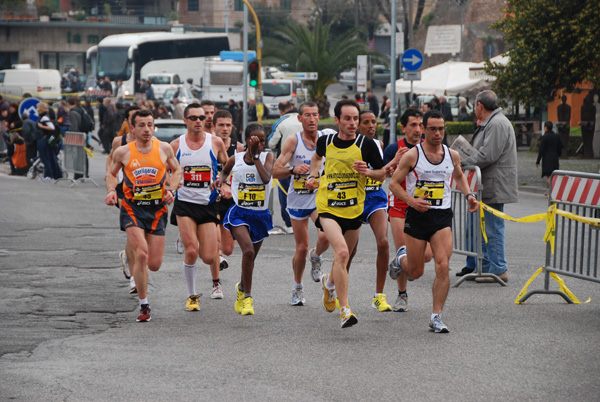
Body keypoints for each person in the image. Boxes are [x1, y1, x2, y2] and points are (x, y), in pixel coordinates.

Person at [389, 110, 479, 333]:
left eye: (441, 129)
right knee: (416, 272)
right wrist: (412, 201)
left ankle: (436, 316)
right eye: (432, 129)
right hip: (417, 216)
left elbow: (458, 176)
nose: (437, 133)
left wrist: (469, 195)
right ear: (424, 130)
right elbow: (393, 184)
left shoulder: (452, 155)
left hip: (441, 217)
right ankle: (400, 260)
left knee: (443, 265)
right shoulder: (412, 156)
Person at [305, 99, 386, 329]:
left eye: (355, 119)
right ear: (337, 120)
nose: (353, 123)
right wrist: (312, 176)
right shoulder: (326, 141)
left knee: (345, 257)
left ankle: (329, 284)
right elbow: (317, 158)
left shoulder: (366, 144)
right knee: (341, 252)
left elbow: (381, 175)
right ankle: (345, 310)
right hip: (328, 207)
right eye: (348, 119)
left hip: (354, 209)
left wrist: (368, 171)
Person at [105, 109, 181, 322]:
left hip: (157, 210)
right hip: (132, 208)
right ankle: (144, 304)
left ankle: (135, 268)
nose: (147, 129)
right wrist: (112, 191)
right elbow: (111, 173)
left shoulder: (164, 149)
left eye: (150, 124)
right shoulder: (123, 152)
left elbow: (177, 171)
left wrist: (171, 191)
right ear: (133, 128)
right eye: (141, 125)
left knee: (154, 264)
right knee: (141, 254)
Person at [170, 103, 228, 310]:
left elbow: (227, 166)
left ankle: (196, 238)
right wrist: (171, 184)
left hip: (208, 204)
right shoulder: (176, 145)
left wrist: (224, 182)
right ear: (185, 120)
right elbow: (164, 170)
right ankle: (192, 295)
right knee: (192, 251)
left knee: (209, 256)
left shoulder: (216, 142)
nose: (198, 121)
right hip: (185, 203)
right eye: (193, 118)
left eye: (201, 118)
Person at [272, 101, 331, 306]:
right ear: (300, 119)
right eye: (307, 115)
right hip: (297, 198)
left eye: (315, 115)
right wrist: (292, 170)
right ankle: (297, 287)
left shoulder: (326, 139)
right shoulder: (293, 141)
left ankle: (317, 257)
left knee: (325, 236)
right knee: (301, 247)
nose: (312, 119)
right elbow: (275, 170)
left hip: (319, 199)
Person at [212, 123, 274, 316]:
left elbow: (265, 178)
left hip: (260, 215)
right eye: (256, 140)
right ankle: (247, 297)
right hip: (239, 213)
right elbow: (225, 171)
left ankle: (240, 289)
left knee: (251, 257)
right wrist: (220, 180)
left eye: (263, 140)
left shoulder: (267, 157)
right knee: (247, 251)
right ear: (247, 140)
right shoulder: (235, 158)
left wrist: (256, 156)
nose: (260, 144)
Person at [461, 90, 518, 283]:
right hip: (488, 183)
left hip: (495, 183)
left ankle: (498, 269)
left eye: (475, 106)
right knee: (483, 227)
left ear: (479, 105)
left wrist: (461, 161)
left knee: (493, 228)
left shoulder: (497, 123)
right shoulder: (493, 122)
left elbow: (488, 155)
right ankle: (485, 266)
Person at [383, 108, 433, 312]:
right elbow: (382, 172)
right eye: (413, 125)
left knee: (426, 255)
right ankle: (402, 295)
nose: (417, 129)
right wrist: (392, 164)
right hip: (400, 205)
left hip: (421, 206)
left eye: (420, 125)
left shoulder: (428, 148)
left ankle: (399, 264)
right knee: (404, 251)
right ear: (403, 128)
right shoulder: (395, 148)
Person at [346, 110, 392, 311]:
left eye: (374, 122)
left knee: (383, 242)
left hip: (374, 199)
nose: (371, 126)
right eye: (366, 122)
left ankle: (379, 295)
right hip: (354, 198)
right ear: (358, 126)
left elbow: (382, 174)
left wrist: (390, 166)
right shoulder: (348, 146)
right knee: (349, 251)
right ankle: (339, 290)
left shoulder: (379, 145)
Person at [106, 105, 141, 294]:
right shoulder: (120, 141)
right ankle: (135, 278)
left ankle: (127, 256)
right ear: (128, 122)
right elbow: (110, 163)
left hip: (145, 190)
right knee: (133, 229)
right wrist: (110, 186)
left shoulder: (153, 142)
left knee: (138, 233)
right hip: (123, 190)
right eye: (135, 119)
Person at [213, 110, 244, 270]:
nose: (225, 128)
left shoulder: (238, 148)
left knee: (228, 249)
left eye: (228, 125)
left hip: (231, 199)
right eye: (221, 125)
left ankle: (219, 253)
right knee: (215, 239)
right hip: (212, 197)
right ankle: (217, 257)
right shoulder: (208, 145)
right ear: (214, 126)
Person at [267, 101, 302, 235]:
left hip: (286, 166)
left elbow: (271, 142)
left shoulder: (281, 122)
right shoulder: (304, 119)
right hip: (306, 165)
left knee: (285, 194)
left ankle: (289, 224)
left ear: (281, 110)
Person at [35, 102, 62, 181]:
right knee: (45, 158)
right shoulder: (44, 116)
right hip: (42, 139)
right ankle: (48, 175)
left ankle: (49, 175)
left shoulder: (44, 117)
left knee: (45, 158)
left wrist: (41, 126)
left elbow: (52, 127)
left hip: (43, 139)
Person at [536, 121, 563, 188]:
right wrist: (558, 154)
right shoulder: (556, 136)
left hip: (547, 159)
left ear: (546, 127)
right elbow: (560, 146)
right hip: (555, 158)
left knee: (548, 176)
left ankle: (550, 191)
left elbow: (541, 150)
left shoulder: (545, 137)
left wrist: (538, 161)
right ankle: (552, 191)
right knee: (553, 175)